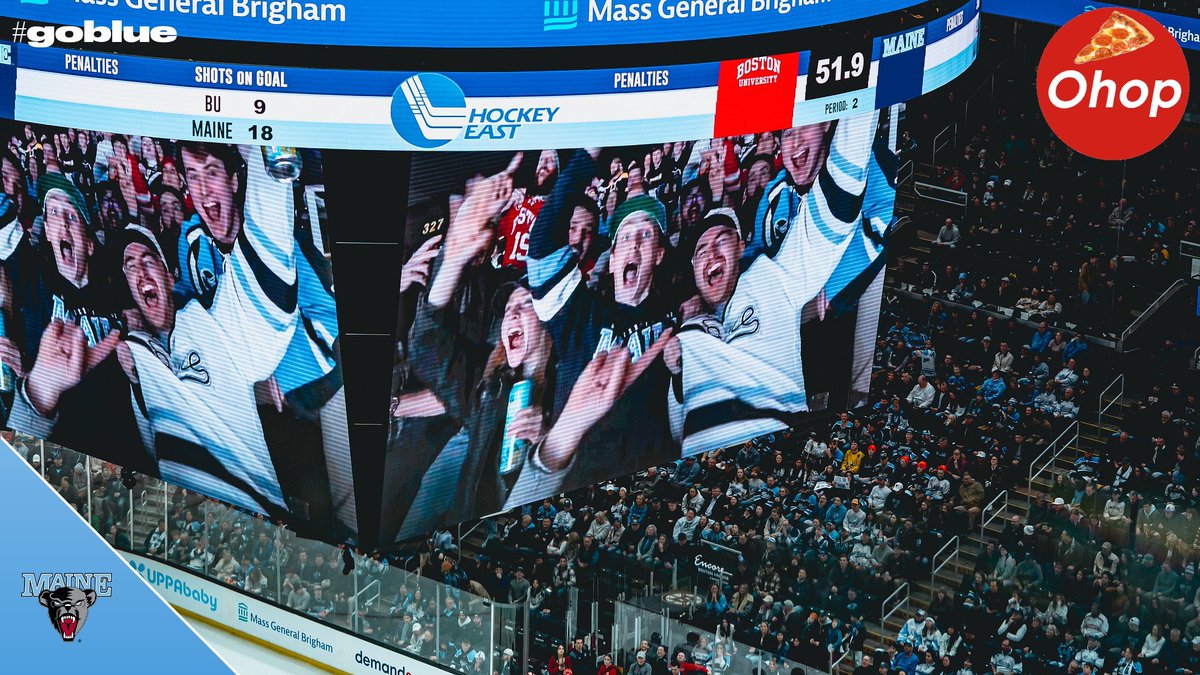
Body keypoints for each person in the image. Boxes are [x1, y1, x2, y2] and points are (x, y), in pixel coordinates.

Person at [670, 112, 894, 455]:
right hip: (789, 311)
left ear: (826, 124)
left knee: (841, 378)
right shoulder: (776, 192)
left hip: (838, 302)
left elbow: (877, 219)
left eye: (801, 129)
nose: (793, 145)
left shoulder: (869, 156)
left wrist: (830, 284)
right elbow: (757, 252)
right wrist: (716, 296)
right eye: (786, 136)